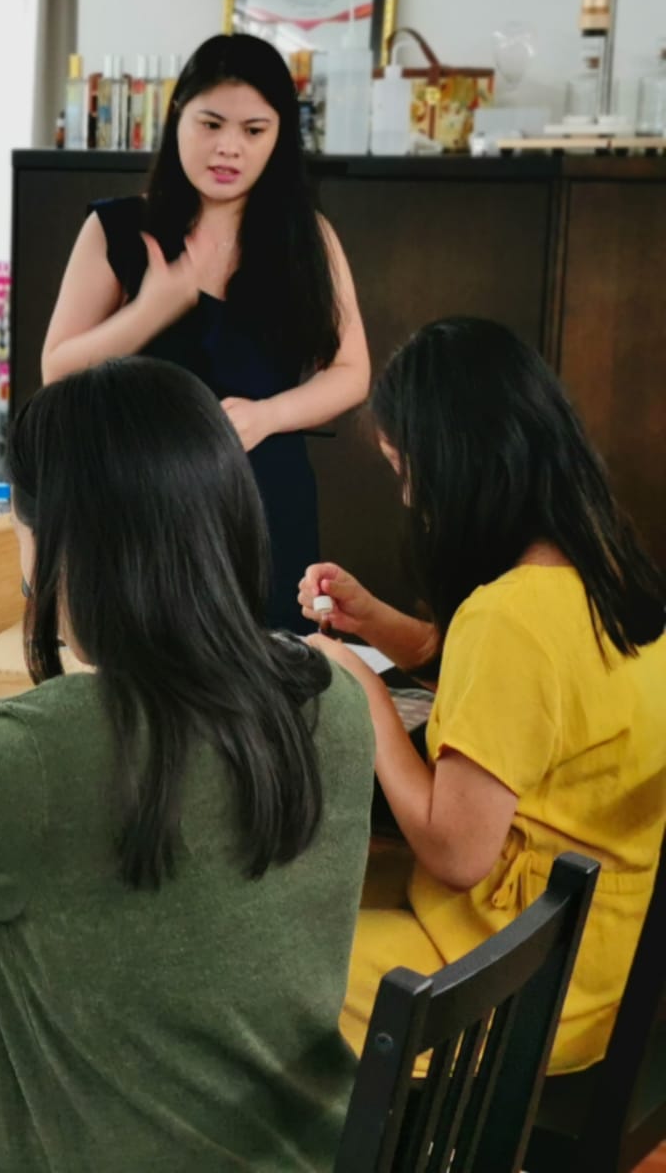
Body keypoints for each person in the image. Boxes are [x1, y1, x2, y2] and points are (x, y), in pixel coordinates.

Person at [0, 357, 375, 1172]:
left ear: (63, 545)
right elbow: (155, 759)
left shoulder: (41, 752)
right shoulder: (331, 695)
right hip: (293, 1150)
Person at [303, 318, 666, 1074]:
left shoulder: (509, 618)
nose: (410, 499)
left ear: (459, 468)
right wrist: (376, 622)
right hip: (601, 970)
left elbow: (455, 851)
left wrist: (361, 690)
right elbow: (523, 701)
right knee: (308, 899)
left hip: (513, 989)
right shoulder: (606, 567)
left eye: (406, 472)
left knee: (261, 962)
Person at [41, 33, 369, 632]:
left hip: (268, 504)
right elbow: (57, 369)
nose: (228, 147)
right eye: (211, 124)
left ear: (279, 136)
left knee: (274, 668)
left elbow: (352, 373)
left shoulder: (308, 237)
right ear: (177, 117)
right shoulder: (117, 229)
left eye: (254, 130)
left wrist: (267, 416)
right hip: (146, 505)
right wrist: (151, 310)